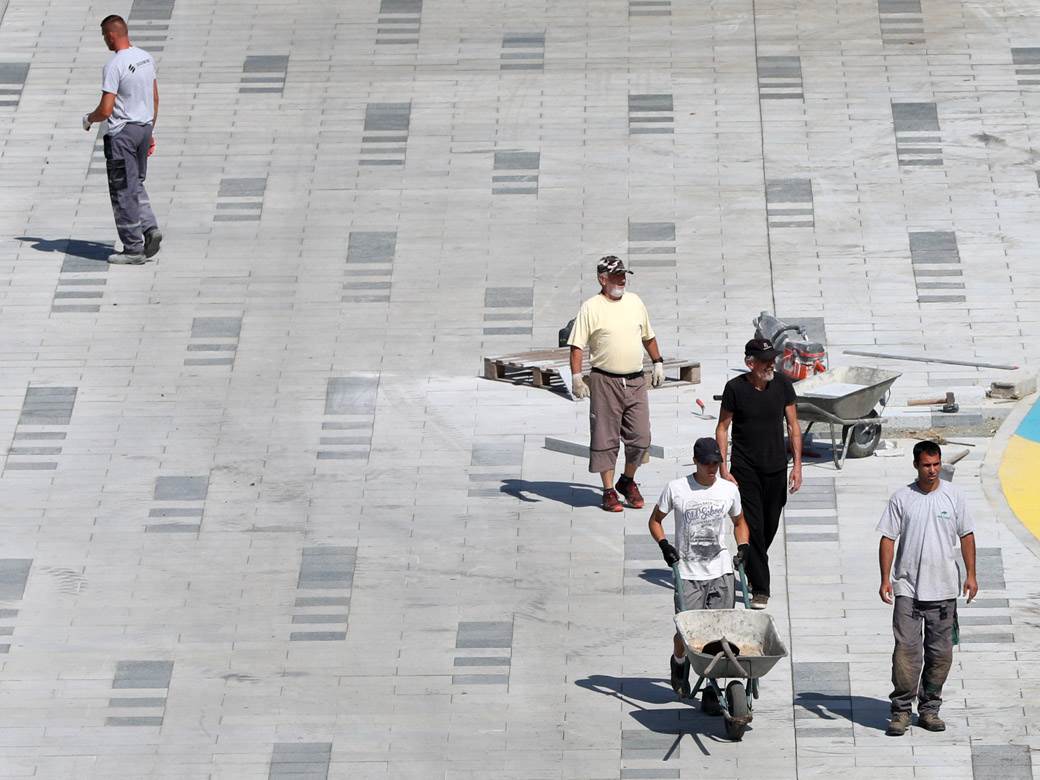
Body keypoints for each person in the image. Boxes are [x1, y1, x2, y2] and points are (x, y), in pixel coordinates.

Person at [877, 440, 977, 737]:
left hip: (944, 590)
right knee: (906, 654)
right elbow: (887, 539)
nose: (932, 471)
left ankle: (930, 708)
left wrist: (971, 575)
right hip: (907, 588)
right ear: (916, 465)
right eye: (926, 465)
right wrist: (885, 579)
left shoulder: (954, 497)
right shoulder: (902, 498)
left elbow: (967, 535)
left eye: (936, 464)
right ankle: (901, 711)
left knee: (940, 654)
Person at [649, 437, 750, 700]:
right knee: (687, 633)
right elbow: (655, 521)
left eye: (716, 463)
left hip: (721, 571)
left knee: (719, 634)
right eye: (706, 463)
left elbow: (740, 522)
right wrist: (664, 545)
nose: (712, 468)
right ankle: (679, 663)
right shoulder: (677, 489)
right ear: (695, 461)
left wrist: (743, 547)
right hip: (689, 574)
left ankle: (710, 690)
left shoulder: (728, 490)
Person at [567, 256, 665, 512]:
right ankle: (608, 490)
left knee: (641, 437)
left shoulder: (635, 302)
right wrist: (577, 377)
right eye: (617, 275)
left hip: (635, 380)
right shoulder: (591, 307)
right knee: (605, 436)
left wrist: (658, 362)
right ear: (602, 279)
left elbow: (648, 335)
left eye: (624, 275)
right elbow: (577, 345)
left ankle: (627, 480)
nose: (622, 279)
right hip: (604, 380)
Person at [715, 338, 802, 609]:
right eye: (765, 361)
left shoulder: (783, 386)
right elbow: (722, 428)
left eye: (772, 359)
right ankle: (760, 589)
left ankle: (751, 560)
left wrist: (797, 465)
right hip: (746, 470)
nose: (771, 365)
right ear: (750, 363)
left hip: (776, 467)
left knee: (769, 525)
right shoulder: (735, 389)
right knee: (753, 526)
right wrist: (723, 468)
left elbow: (793, 425)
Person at [82, 15, 162, 265]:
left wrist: (89, 119)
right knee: (136, 182)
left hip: (122, 135)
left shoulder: (114, 65)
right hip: (144, 127)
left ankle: (133, 249)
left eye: (104, 35)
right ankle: (150, 228)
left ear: (110, 35)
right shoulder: (146, 58)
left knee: (122, 191)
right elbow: (155, 98)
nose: (105, 39)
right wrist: (149, 131)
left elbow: (106, 110)